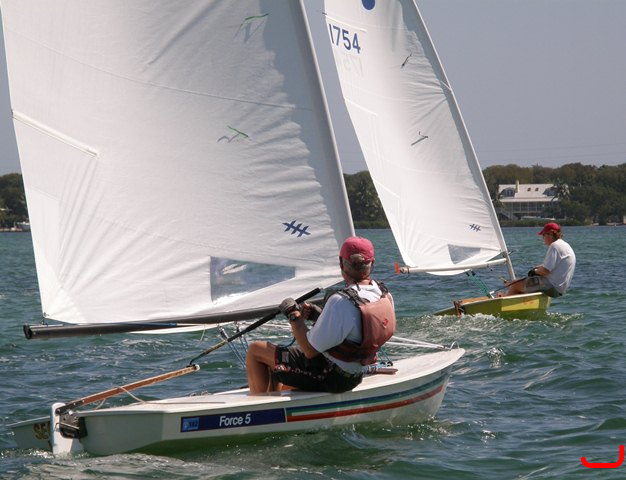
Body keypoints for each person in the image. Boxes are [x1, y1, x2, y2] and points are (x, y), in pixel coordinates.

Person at [245, 236, 396, 394]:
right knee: (278, 361)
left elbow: (309, 351)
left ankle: (260, 405)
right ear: (372, 263)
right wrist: (319, 316)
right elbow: (358, 329)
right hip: (356, 374)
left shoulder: (341, 301)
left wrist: (293, 315)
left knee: (256, 350)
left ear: (341, 263)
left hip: (330, 377)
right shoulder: (384, 294)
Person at [503, 222, 576, 297]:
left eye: (543, 235)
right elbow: (554, 265)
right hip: (559, 289)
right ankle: (508, 297)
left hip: (551, 286)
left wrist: (534, 272)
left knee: (514, 285)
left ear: (550, 234)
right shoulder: (565, 245)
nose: (543, 238)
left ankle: (505, 301)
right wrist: (537, 268)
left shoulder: (554, 246)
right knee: (520, 285)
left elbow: (545, 271)